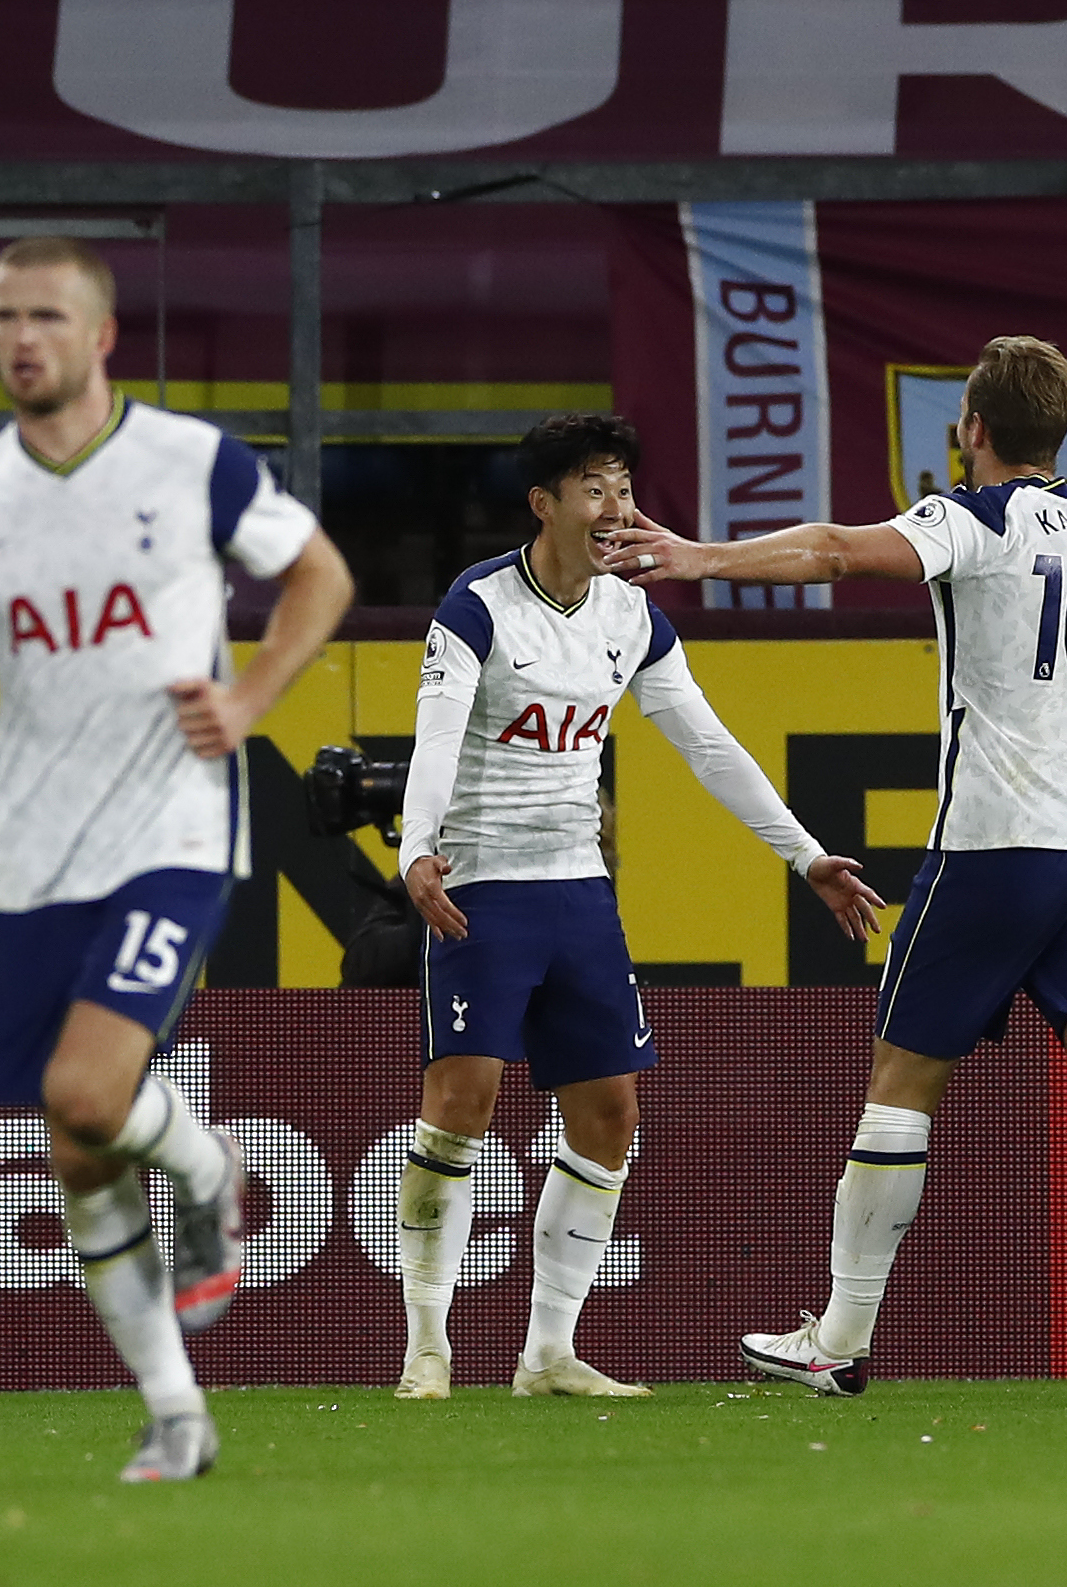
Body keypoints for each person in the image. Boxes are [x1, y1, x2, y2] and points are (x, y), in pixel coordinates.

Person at [602, 335, 1067, 1398]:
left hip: (994, 849)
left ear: (974, 431)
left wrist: (695, 556)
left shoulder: (974, 517)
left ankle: (841, 1336)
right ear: (1061, 430)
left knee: (901, 1085)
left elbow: (830, 550)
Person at [0, 236, 354, 1478]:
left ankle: (215, 1173)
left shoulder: (190, 462)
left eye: (48, 316)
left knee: (83, 1093)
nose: (23, 338)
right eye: (5, 315)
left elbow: (320, 572)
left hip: (170, 825)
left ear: (102, 334)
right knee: (75, 1150)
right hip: (29, 854)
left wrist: (258, 690)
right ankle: (178, 1416)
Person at [395, 413, 883, 1401]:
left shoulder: (630, 615)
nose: (614, 508)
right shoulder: (477, 604)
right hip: (482, 889)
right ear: (545, 505)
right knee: (462, 1104)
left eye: (621, 486)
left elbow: (707, 746)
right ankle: (428, 1346)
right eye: (593, 489)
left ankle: (547, 1353)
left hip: (580, 890)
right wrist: (417, 848)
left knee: (611, 1115)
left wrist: (804, 857)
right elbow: (435, 738)